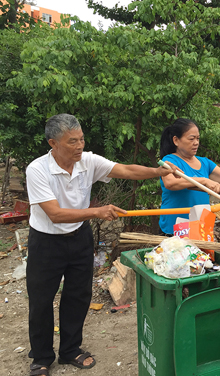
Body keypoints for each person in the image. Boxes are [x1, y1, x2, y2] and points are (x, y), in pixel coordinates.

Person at [25, 114, 179, 376]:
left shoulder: (88, 161)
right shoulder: (37, 170)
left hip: (79, 238)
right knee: (41, 300)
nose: (79, 146)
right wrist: (97, 212)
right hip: (46, 242)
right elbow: (55, 213)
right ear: (53, 143)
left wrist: (158, 172)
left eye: (82, 139)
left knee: (78, 295)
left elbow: (126, 170)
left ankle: (70, 350)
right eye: (72, 141)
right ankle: (41, 357)